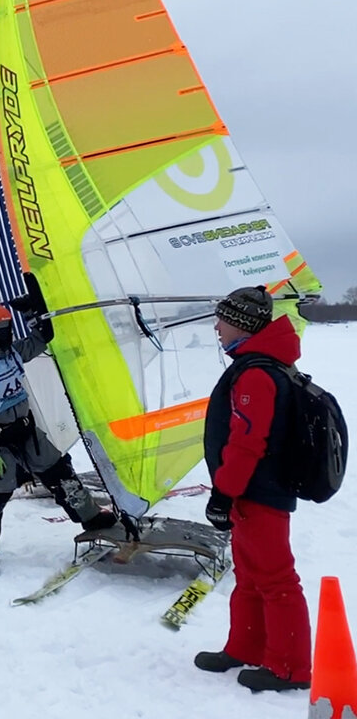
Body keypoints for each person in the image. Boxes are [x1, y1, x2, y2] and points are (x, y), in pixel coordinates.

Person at [193, 285, 311, 692]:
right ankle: (246, 646)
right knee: (248, 575)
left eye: (222, 320)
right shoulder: (254, 365)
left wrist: (223, 494)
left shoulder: (257, 373)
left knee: (276, 580)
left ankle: (290, 668)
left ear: (240, 324)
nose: (217, 327)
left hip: (260, 493)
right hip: (249, 492)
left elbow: (246, 443)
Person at [0, 302, 115, 576]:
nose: (10, 333)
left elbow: (40, 341)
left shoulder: (9, 353)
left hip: (27, 431)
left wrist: (34, 314)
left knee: (60, 473)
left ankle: (91, 516)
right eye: (6, 328)